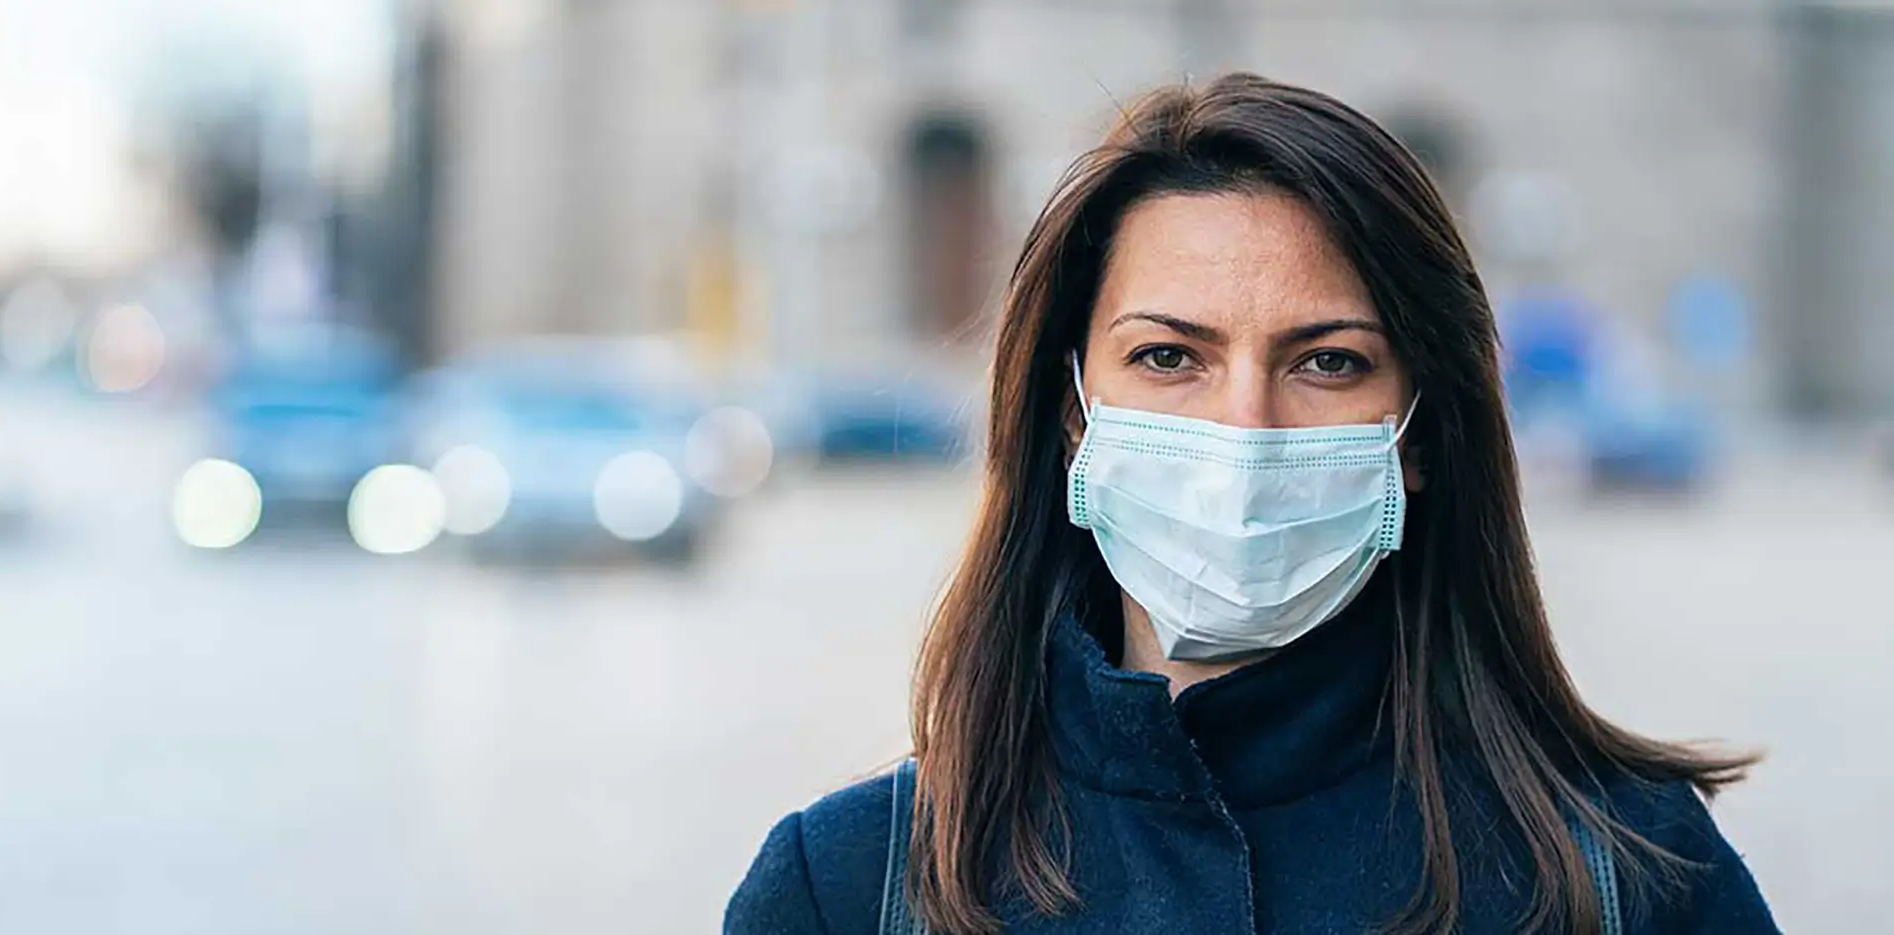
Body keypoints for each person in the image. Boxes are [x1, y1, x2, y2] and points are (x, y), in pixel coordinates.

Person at [724, 74, 1777, 935]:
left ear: (1418, 434)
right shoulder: (852, 887)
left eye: (1328, 361)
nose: (1246, 428)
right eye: (1168, 356)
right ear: (1074, 414)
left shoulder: (1632, 875)